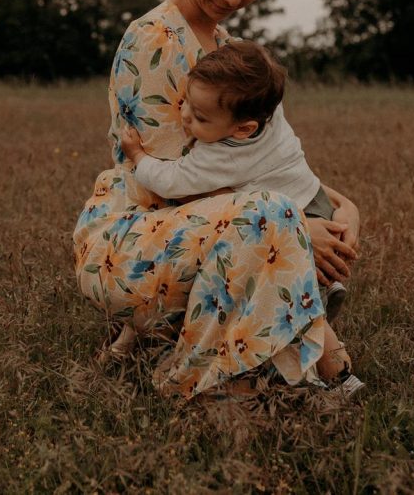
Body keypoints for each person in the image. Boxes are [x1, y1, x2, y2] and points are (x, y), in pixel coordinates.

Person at [73, 0, 361, 397]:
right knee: (273, 220)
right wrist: (296, 228)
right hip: (135, 247)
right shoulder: (154, 41)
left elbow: (264, 158)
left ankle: (181, 352)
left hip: (214, 228)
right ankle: (214, 380)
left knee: (279, 219)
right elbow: (172, 187)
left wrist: (341, 207)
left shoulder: (230, 49)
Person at [115, 40, 359, 389]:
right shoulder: (270, 114)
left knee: (294, 296)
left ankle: (335, 373)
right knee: (301, 287)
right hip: (317, 200)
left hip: (290, 221)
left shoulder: (220, 157)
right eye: (185, 102)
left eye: (200, 117)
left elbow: (171, 180)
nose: (184, 116)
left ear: (242, 128)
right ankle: (323, 292)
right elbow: (258, 73)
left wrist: (138, 156)